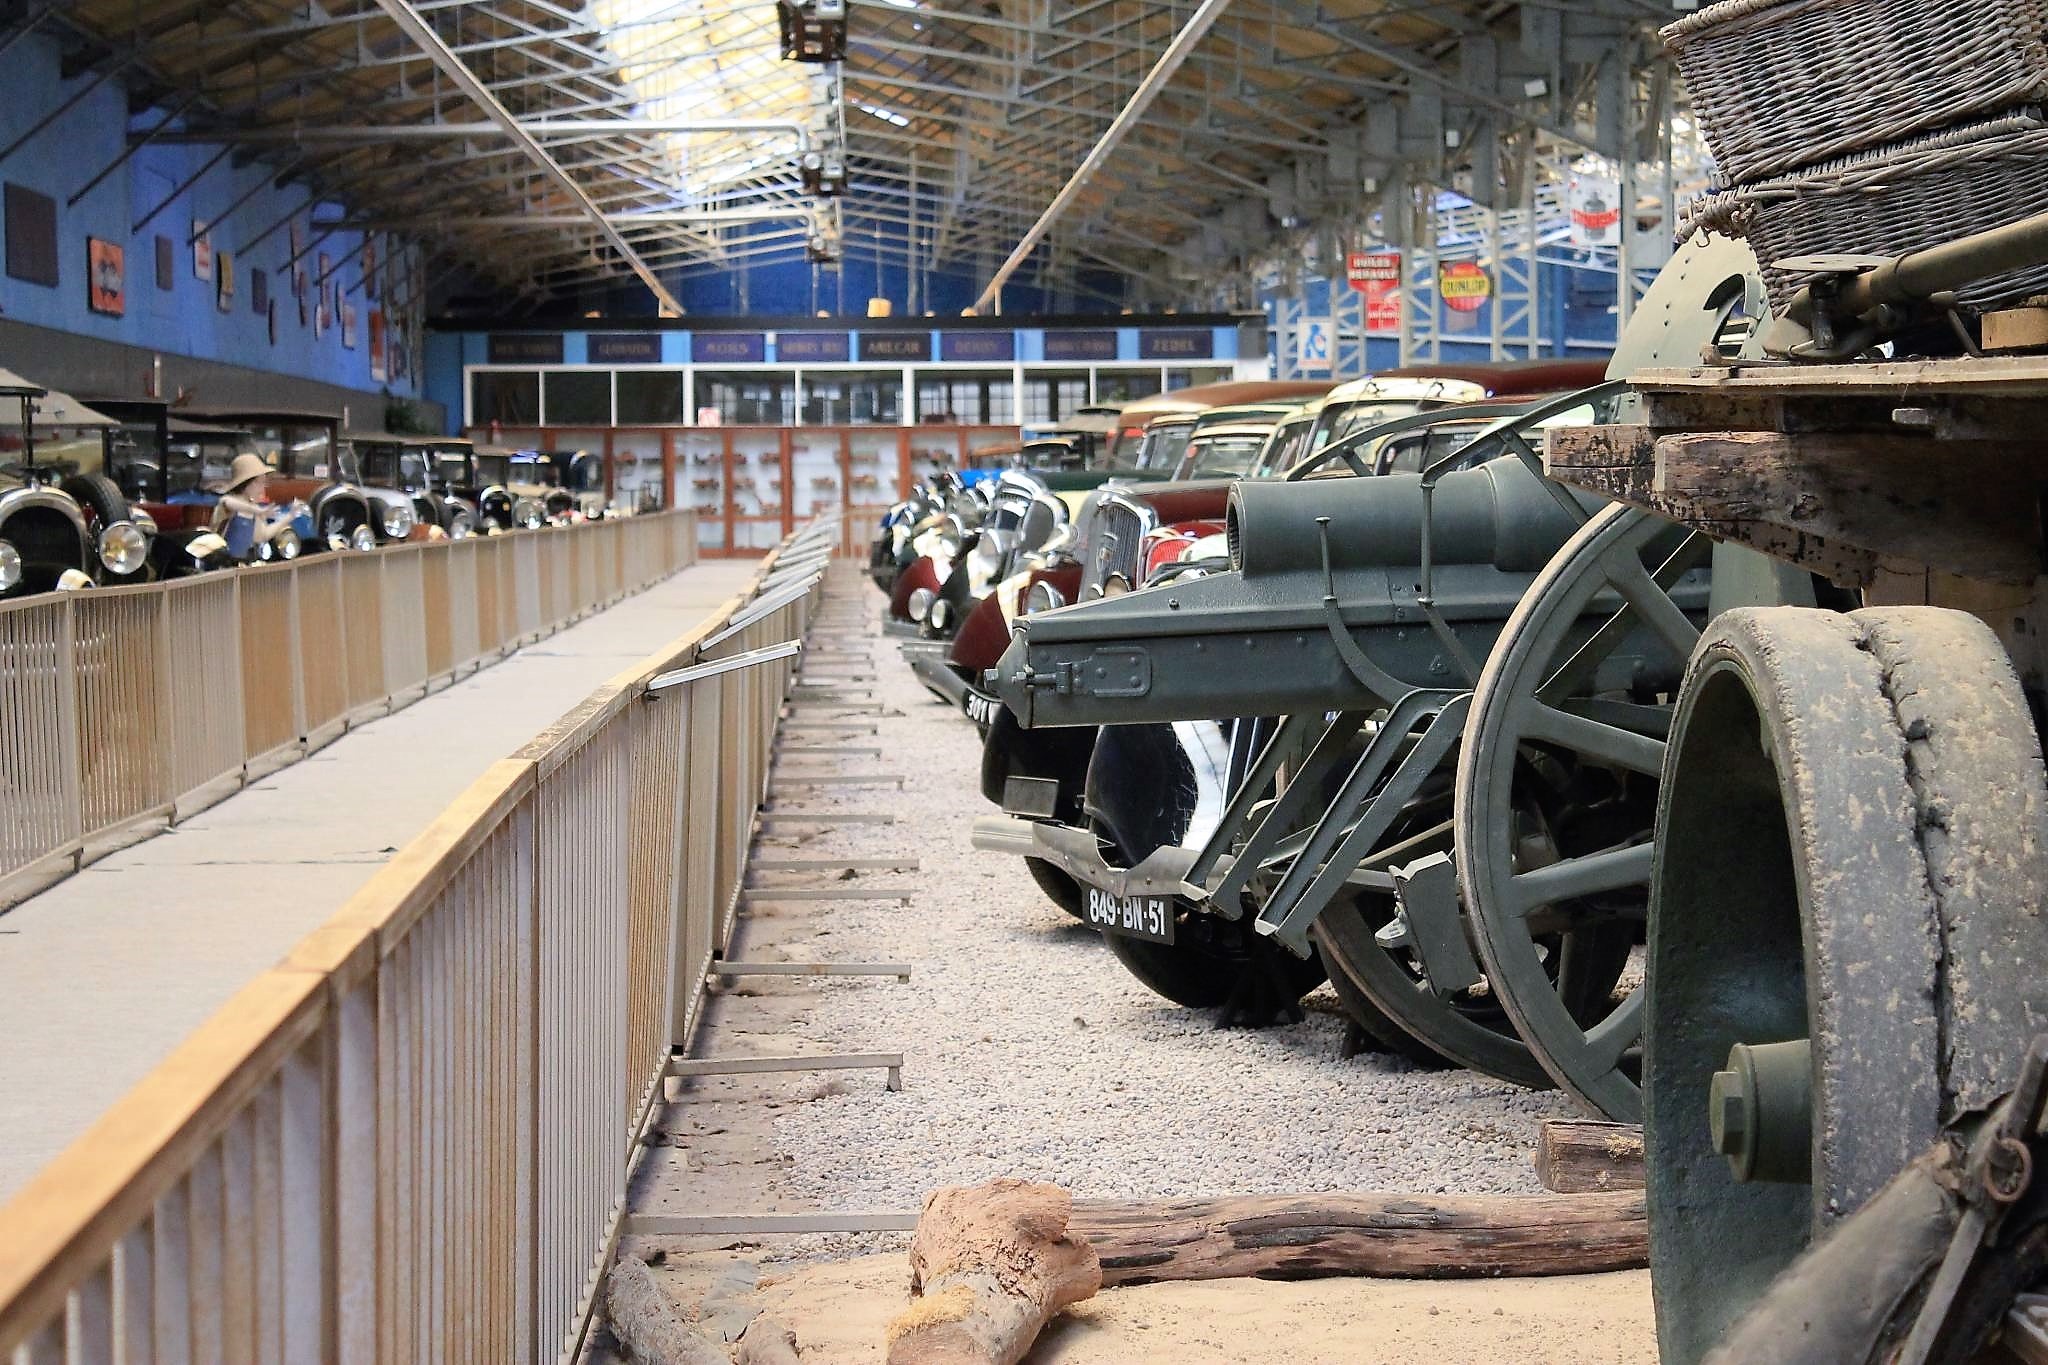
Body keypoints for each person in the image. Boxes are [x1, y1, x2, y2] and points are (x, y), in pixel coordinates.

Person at [210, 452, 292, 557]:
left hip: (242, 565)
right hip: (221, 563)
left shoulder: (254, 507)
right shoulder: (229, 500)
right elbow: (228, 503)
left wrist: (289, 517)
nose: (262, 488)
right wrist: (257, 510)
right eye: (258, 482)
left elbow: (261, 536)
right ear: (246, 483)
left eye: (264, 482)